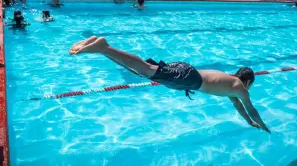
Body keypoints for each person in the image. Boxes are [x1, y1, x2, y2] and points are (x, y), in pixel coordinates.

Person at [69, 36, 271, 133]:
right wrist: (262, 125)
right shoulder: (240, 88)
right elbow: (250, 109)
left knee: (144, 72)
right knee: (147, 70)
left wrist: (249, 123)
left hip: (188, 76)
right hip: (190, 78)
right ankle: (105, 46)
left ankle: (101, 49)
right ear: (249, 81)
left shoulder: (231, 85)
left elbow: (240, 109)